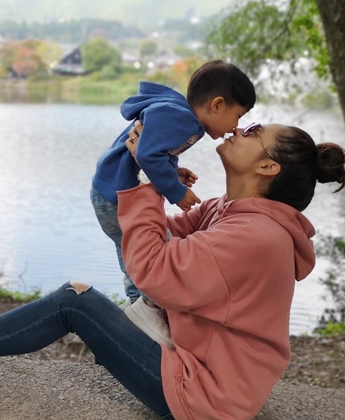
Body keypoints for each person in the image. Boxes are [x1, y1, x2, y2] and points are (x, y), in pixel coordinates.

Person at [0, 121, 345, 420]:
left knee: (76, 300)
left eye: (252, 133)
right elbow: (162, 236)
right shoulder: (229, 211)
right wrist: (154, 172)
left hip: (207, 395)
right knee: (87, 298)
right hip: (208, 368)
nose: (236, 129)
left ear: (268, 168)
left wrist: (149, 182)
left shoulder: (256, 235)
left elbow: (152, 271)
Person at [90, 60, 255, 347]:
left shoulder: (179, 116)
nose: (235, 128)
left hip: (111, 190)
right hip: (115, 196)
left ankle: (141, 308)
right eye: (237, 116)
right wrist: (176, 193)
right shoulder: (181, 118)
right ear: (217, 105)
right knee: (145, 255)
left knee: (135, 250)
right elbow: (148, 156)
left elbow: (153, 153)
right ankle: (143, 308)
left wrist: (173, 174)